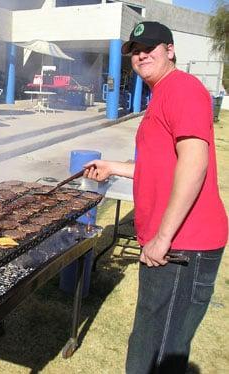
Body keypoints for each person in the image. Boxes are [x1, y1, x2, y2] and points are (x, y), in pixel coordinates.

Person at [84, 21, 227, 373]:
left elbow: (194, 163)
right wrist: (114, 166)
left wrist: (163, 237)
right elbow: (160, 165)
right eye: (135, 49)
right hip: (172, 245)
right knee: (149, 341)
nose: (141, 54)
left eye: (150, 47)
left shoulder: (183, 89)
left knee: (158, 354)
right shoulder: (162, 93)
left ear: (170, 49)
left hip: (183, 246)